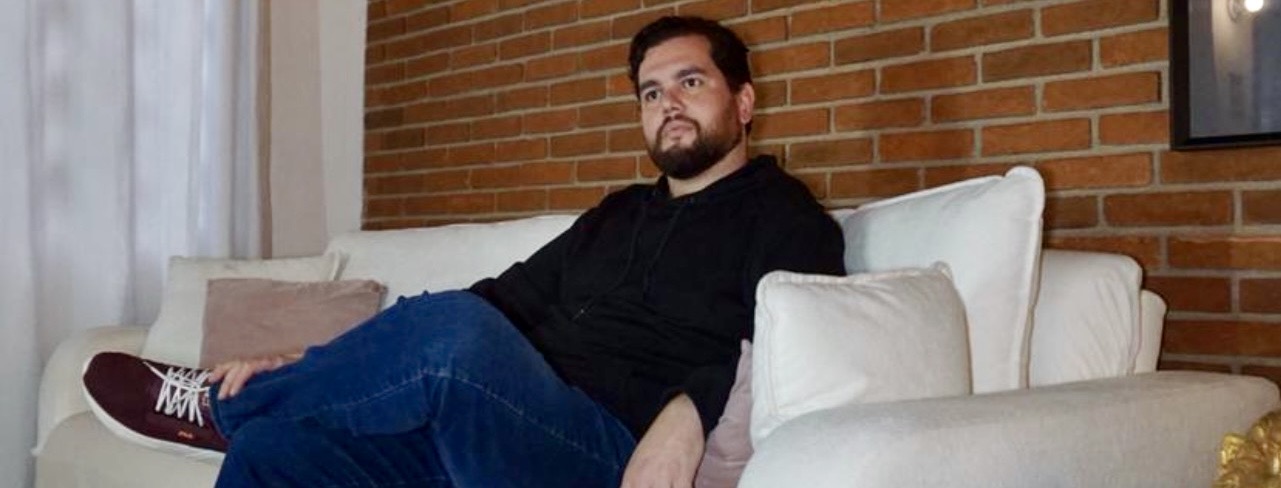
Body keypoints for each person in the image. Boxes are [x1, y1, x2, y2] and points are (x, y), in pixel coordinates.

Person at [83, 15, 845, 487]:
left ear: (743, 101)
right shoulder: (619, 214)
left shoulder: (788, 218)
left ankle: (216, 407)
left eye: (689, 82)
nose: (667, 104)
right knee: (273, 451)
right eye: (650, 92)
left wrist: (688, 411)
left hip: (600, 448)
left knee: (454, 337)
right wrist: (322, 362)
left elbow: (786, 345)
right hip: (494, 430)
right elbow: (501, 299)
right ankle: (254, 415)